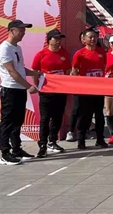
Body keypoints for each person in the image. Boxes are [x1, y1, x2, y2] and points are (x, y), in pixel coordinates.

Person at [0, 20, 41, 165]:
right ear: (12, 31)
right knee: (7, 121)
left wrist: (35, 73)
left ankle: (16, 149)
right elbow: (12, 71)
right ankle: (5, 153)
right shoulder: (4, 48)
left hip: (19, 89)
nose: (23, 33)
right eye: (21, 30)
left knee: (18, 121)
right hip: (10, 89)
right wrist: (28, 86)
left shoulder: (17, 48)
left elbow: (21, 69)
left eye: (24, 30)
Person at [31, 29, 71, 157]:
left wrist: (65, 85)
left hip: (60, 91)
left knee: (57, 117)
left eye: (60, 39)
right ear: (49, 40)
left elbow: (67, 71)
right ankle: (42, 144)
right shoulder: (41, 54)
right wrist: (37, 86)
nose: (58, 41)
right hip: (46, 92)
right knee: (45, 118)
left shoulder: (64, 53)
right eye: (56, 38)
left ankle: (52, 141)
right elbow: (35, 72)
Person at [71, 29, 108, 150]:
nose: (93, 39)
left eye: (95, 37)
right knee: (84, 115)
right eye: (90, 37)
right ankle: (81, 140)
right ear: (84, 39)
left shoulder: (101, 52)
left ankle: (100, 139)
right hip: (85, 90)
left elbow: (104, 67)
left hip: (98, 89)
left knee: (99, 115)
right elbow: (74, 70)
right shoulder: (80, 53)